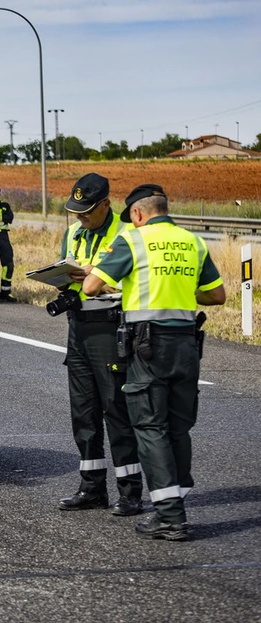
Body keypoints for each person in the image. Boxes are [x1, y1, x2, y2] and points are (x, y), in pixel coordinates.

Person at [84, 184, 226, 541]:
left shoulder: (132, 241)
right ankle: (177, 500)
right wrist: (179, 288)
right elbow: (217, 294)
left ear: (137, 214)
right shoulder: (192, 241)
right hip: (187, 345)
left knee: (149, 427)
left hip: (148, 345)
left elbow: (90, 287)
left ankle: (170, 517)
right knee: (178, 428)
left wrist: (107, 278)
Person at [56, 174, 144, 516]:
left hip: (110, 327)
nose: (80, 217)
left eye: (86, 211)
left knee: (116, 410)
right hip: (77, 328)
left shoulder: (125, 235)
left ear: (106, 204)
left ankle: (130, 492)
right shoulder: (73, 233)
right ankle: (91, 488)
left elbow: (132, 279)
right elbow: (67, 270)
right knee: (84, 413)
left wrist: (96, 275)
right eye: (76, 211)